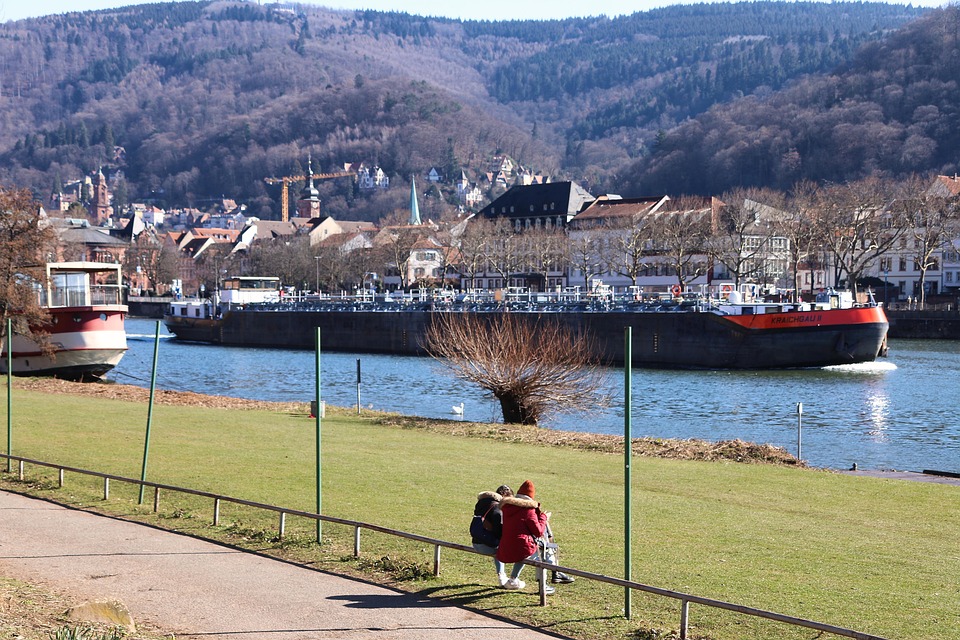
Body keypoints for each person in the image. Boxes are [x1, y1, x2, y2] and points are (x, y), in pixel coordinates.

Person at [496, 480, 574, 593]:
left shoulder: (507, 507)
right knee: (542, 553)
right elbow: (538, 531)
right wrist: (544, 517)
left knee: (534, 549)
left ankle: (515, 578)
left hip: (505, 546)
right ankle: (545, 583)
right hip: (520, 547)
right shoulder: (528, 510)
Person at [470, 485, 512, 586]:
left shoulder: (483, 504)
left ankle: (502, 575)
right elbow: (499, 532)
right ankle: (505, 577)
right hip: (486, 545)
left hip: (476, 542)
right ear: (505, 496)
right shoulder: (497, 510)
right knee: (504, 548)